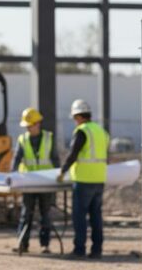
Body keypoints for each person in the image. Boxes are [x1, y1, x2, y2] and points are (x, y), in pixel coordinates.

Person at [56, 99, 109, 259]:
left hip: (84, 180)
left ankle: (79, 249)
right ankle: (96, 250)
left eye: (74, 117)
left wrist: (63, 171)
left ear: (78, 116)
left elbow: (73, 154)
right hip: (99, 179)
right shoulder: (101, 131)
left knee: (79, 217)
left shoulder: (82, 131)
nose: (74, 121)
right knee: (96, 217)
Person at [10, 107, 59, 255]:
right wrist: (12, 176)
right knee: (26, 214)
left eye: (30, 125)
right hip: (29, 183)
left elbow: (55, 160)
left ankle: (45, 245)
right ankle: (22, 243)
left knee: (45, 213)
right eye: (26, 126)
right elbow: (16, 159)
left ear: (38, 123)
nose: (28, 128)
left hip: (45, 183)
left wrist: (60, 178)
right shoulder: (22, 140)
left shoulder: (48, 138)